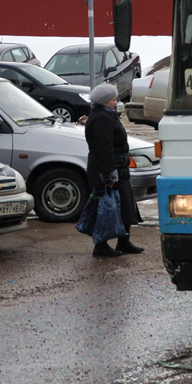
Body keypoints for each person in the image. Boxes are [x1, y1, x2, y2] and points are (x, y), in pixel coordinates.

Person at [84, 83, 144, 258]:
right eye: (113, 99)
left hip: (119, 168)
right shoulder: (101, 119)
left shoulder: (106, 115)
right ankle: (100, 245)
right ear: (103, 101)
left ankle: (124, 241)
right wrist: (108, 175)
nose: (116, 101)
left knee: (124, 206)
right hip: (109, 170)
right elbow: (104, 149)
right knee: (107, 208)